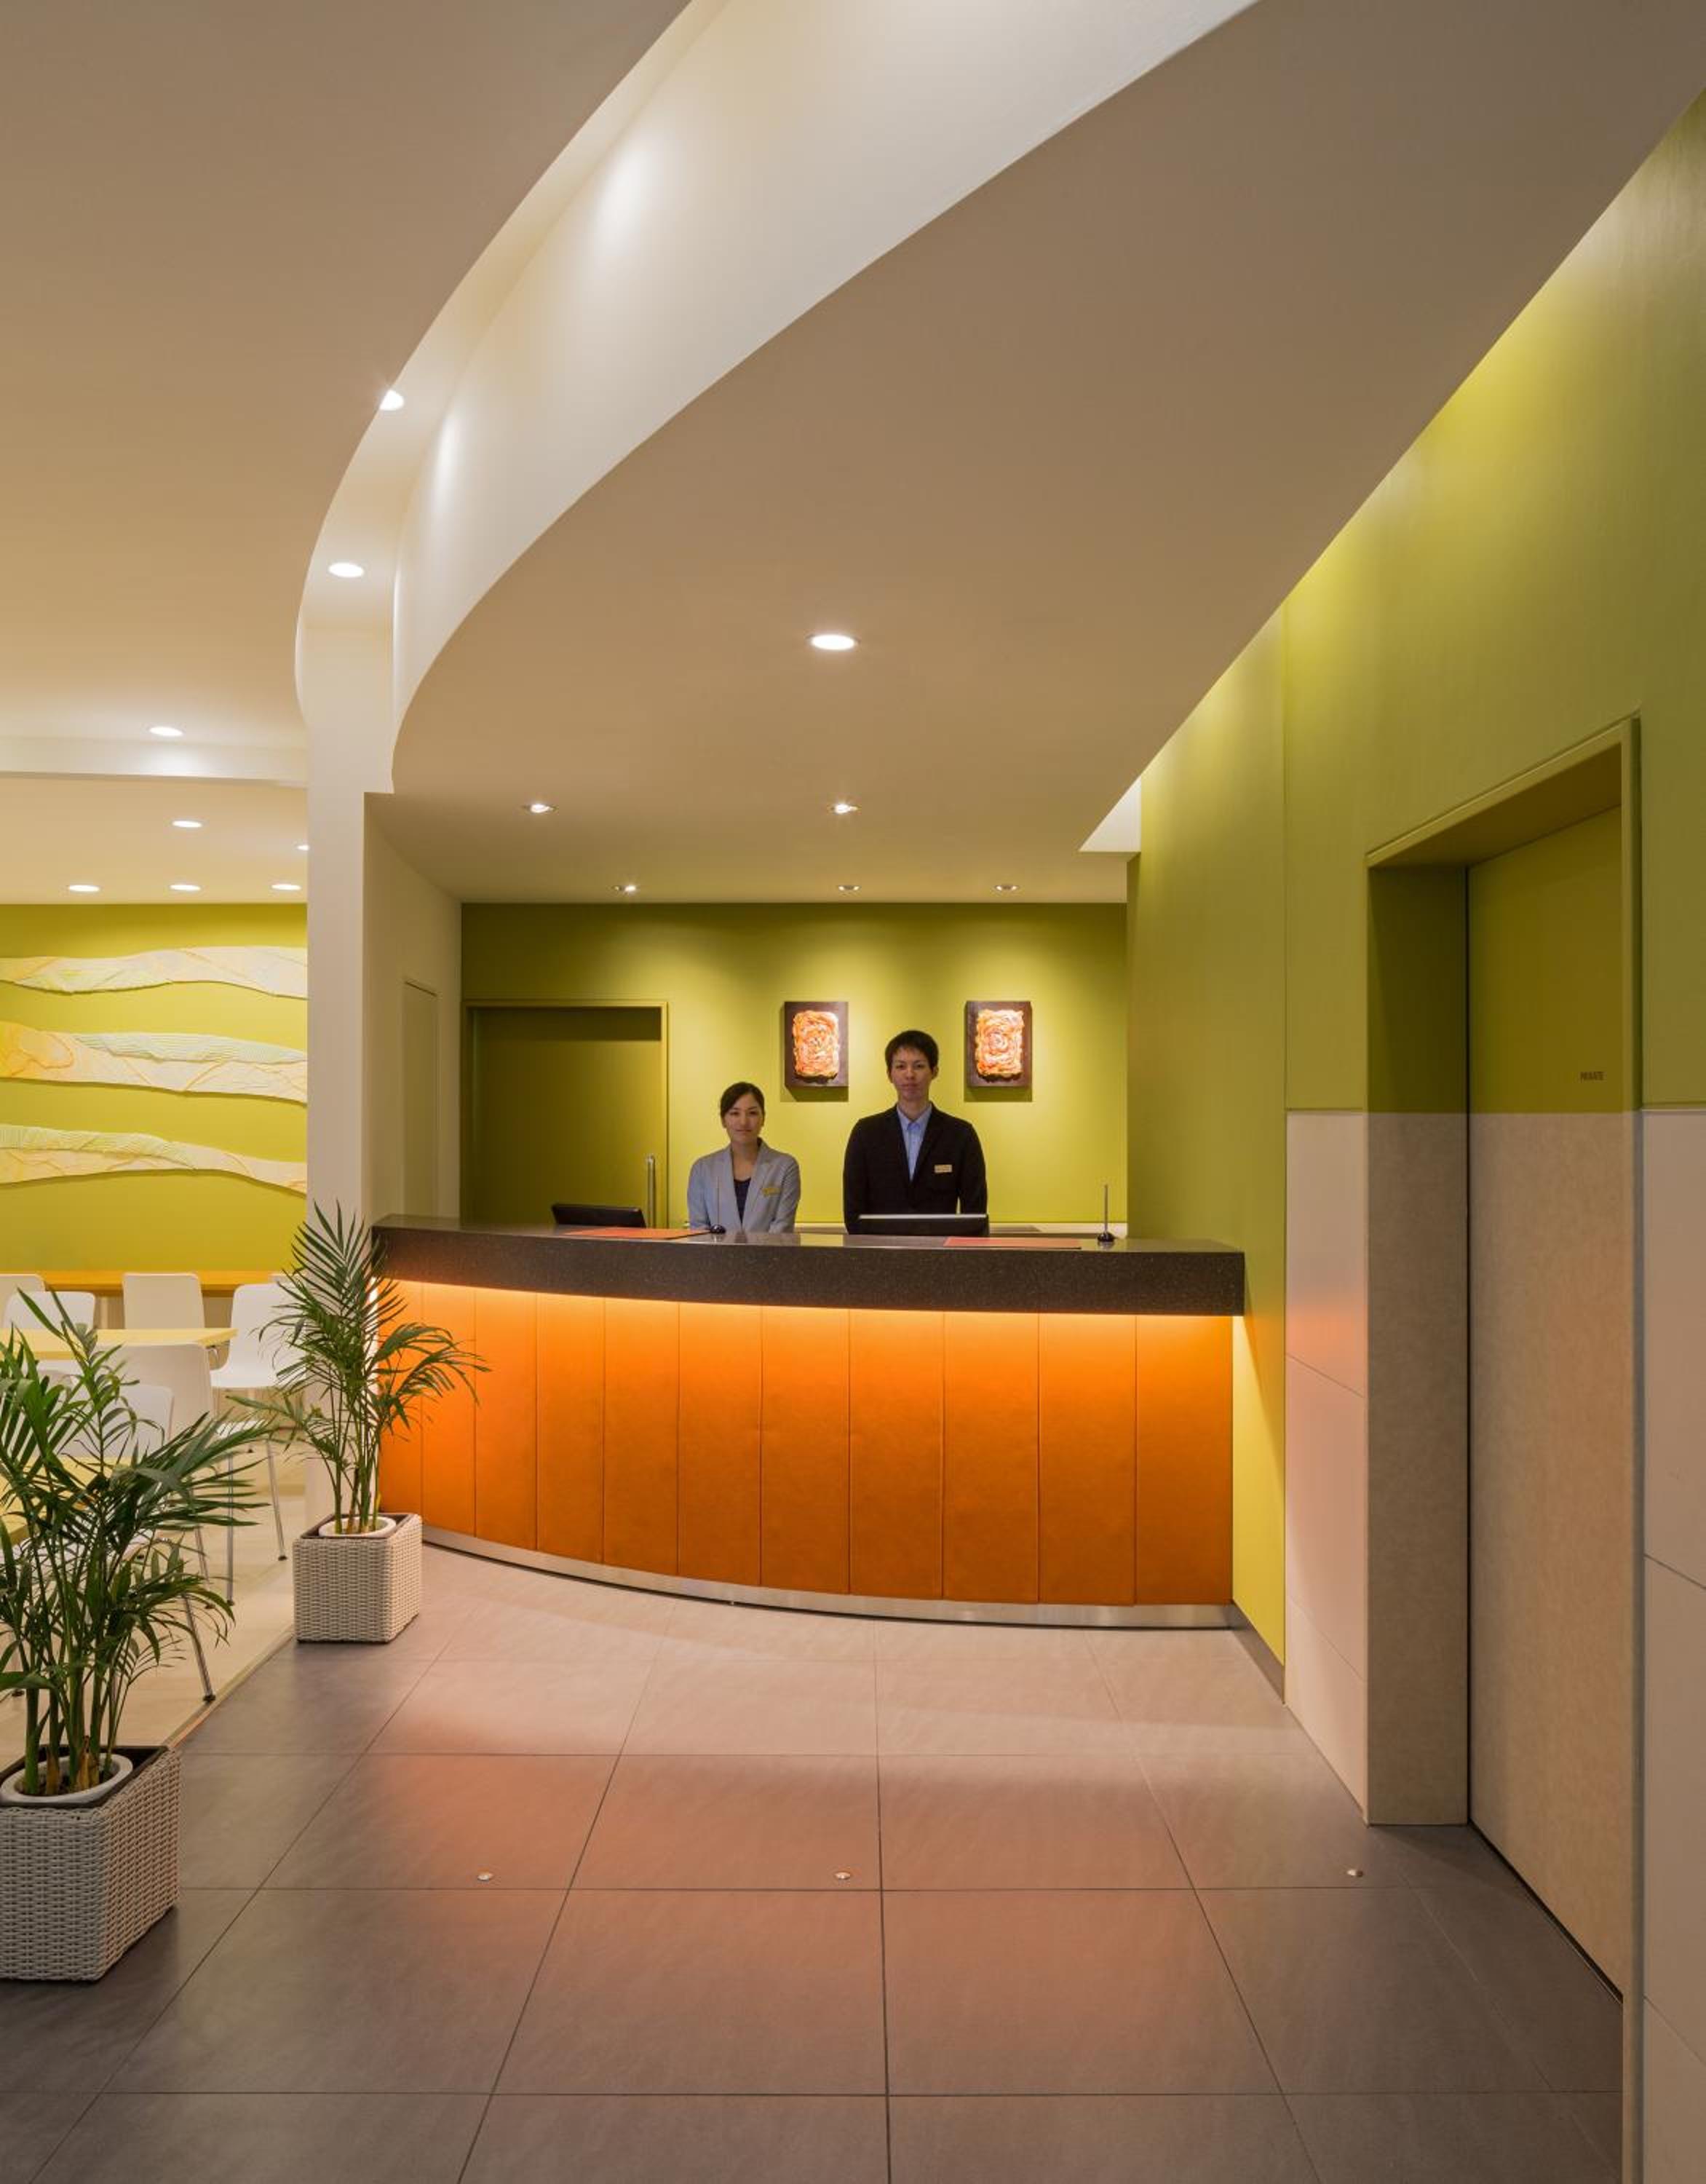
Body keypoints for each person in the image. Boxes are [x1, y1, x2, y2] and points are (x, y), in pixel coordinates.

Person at [842, 1028, 988, 1230]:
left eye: (919, 1066)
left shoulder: (961, 1135)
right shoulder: (865, 1134)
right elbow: (853, 1212)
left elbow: (974, 1214)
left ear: (934, 1071)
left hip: (941, 1247)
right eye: (901, 1066)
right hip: (878, 1248)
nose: (910, 1075)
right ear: (889, 1074)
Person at [686, 1081, 801, 1233]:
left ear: (763, 1118)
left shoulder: (785, 1167)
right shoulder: (702, 1169)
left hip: (771, 1249)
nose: (744, 1122)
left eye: (752, 1113)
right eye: (735, 1113)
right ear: (723, 1120)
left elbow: (782, 1228)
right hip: (714, 1249)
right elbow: (699, 1229)